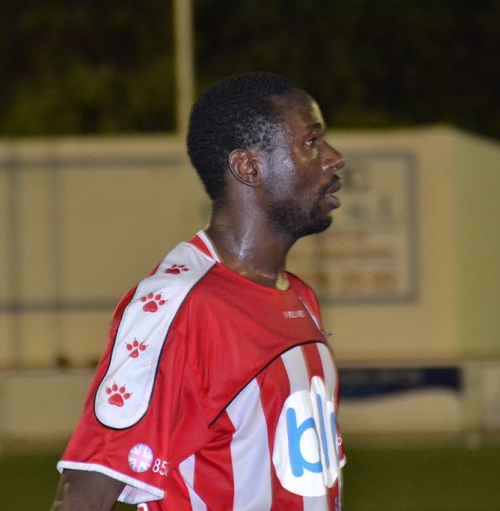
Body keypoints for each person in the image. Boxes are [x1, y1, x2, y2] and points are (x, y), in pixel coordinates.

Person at [51, 72, 346, 510]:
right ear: (248, 167)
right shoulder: (179, 305)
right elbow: (85, 495)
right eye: (311, 142)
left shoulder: (298, 297)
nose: (334, 158)